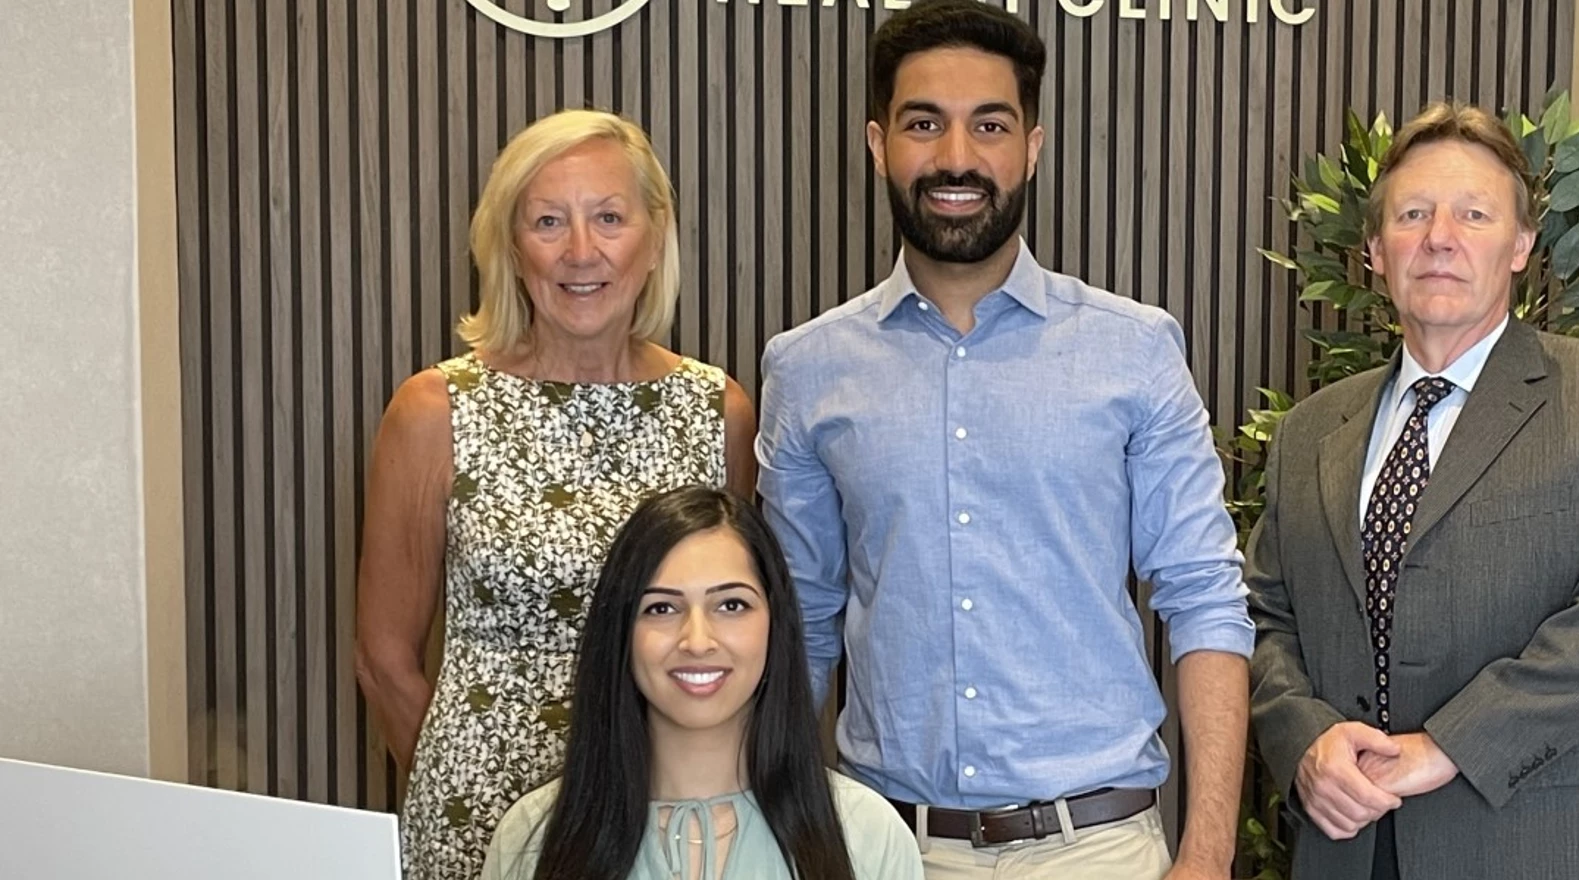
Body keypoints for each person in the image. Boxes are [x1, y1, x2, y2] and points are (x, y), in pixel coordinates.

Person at [755, 2, 1254, 877]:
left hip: (1099, 849)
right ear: (879, 145)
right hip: (884, 847)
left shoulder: (1133, 350)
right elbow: (800, 625)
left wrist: (1207, 852)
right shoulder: (807, 369)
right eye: (923, 124)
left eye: (989, 125)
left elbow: (1204, 600)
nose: (956, 158)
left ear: (1032, 144)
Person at [1244, 100, 1579, 880]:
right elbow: (1263, 616)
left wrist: (1451, 744)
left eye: (1474, 214)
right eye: (1413, 214)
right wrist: (1303, 740)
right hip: (1344, 844)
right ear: (1376, 252)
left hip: (1533, 844)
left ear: (1521, 244)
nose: (1440, 238)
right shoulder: (1312, 431)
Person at [353, 109, 757, 880]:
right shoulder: (435, 410)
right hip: (478, 815)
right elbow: (383, 659)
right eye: (548, 221)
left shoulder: (718, 411)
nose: (582, 251)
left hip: (664, 817)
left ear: (654, 234)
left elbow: (742, 629)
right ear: (509, 243)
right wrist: (461, 784)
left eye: (608, 217)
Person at [478, 486, 922, 880]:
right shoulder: (532, 837)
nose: (697, 640)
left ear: (775, 621)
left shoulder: (866, 833)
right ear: (620, 632)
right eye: (661, 609)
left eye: (731, 605)